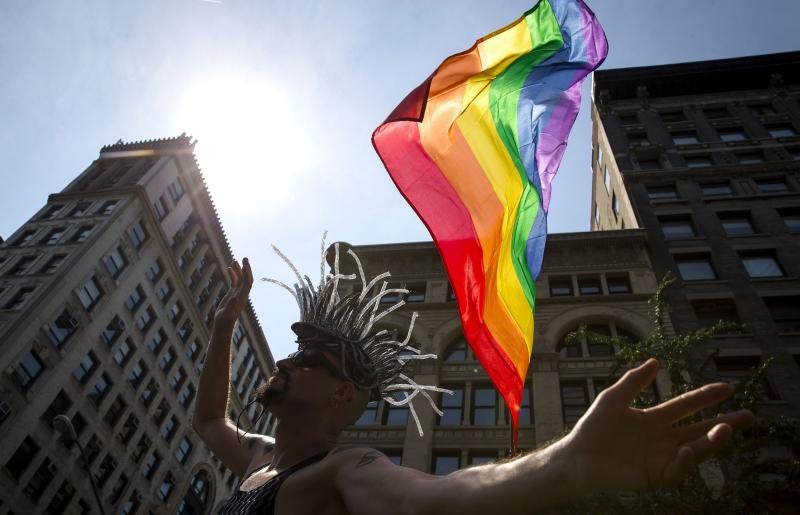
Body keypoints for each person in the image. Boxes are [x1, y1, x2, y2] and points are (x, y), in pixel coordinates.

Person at [193, 250, 754, 515]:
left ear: (343, 394)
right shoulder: (259, 460)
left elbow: (433, 498)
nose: (288, 361)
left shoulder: (346, 469)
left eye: (308, 358)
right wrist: (224, 328)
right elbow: (210, 421)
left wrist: (570, 462)